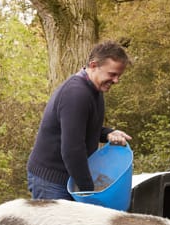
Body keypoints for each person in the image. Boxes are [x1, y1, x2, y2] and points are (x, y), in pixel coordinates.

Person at [27, 40, 133, 200]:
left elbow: (83, 128)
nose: (116, 80)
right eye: (112, 74)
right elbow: (72, 149)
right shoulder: (76, 94)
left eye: (119, 75)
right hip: (51, 181)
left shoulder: (95, 89)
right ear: (93, 65)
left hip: (70, 177)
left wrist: (109, 134)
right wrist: (89, 192)